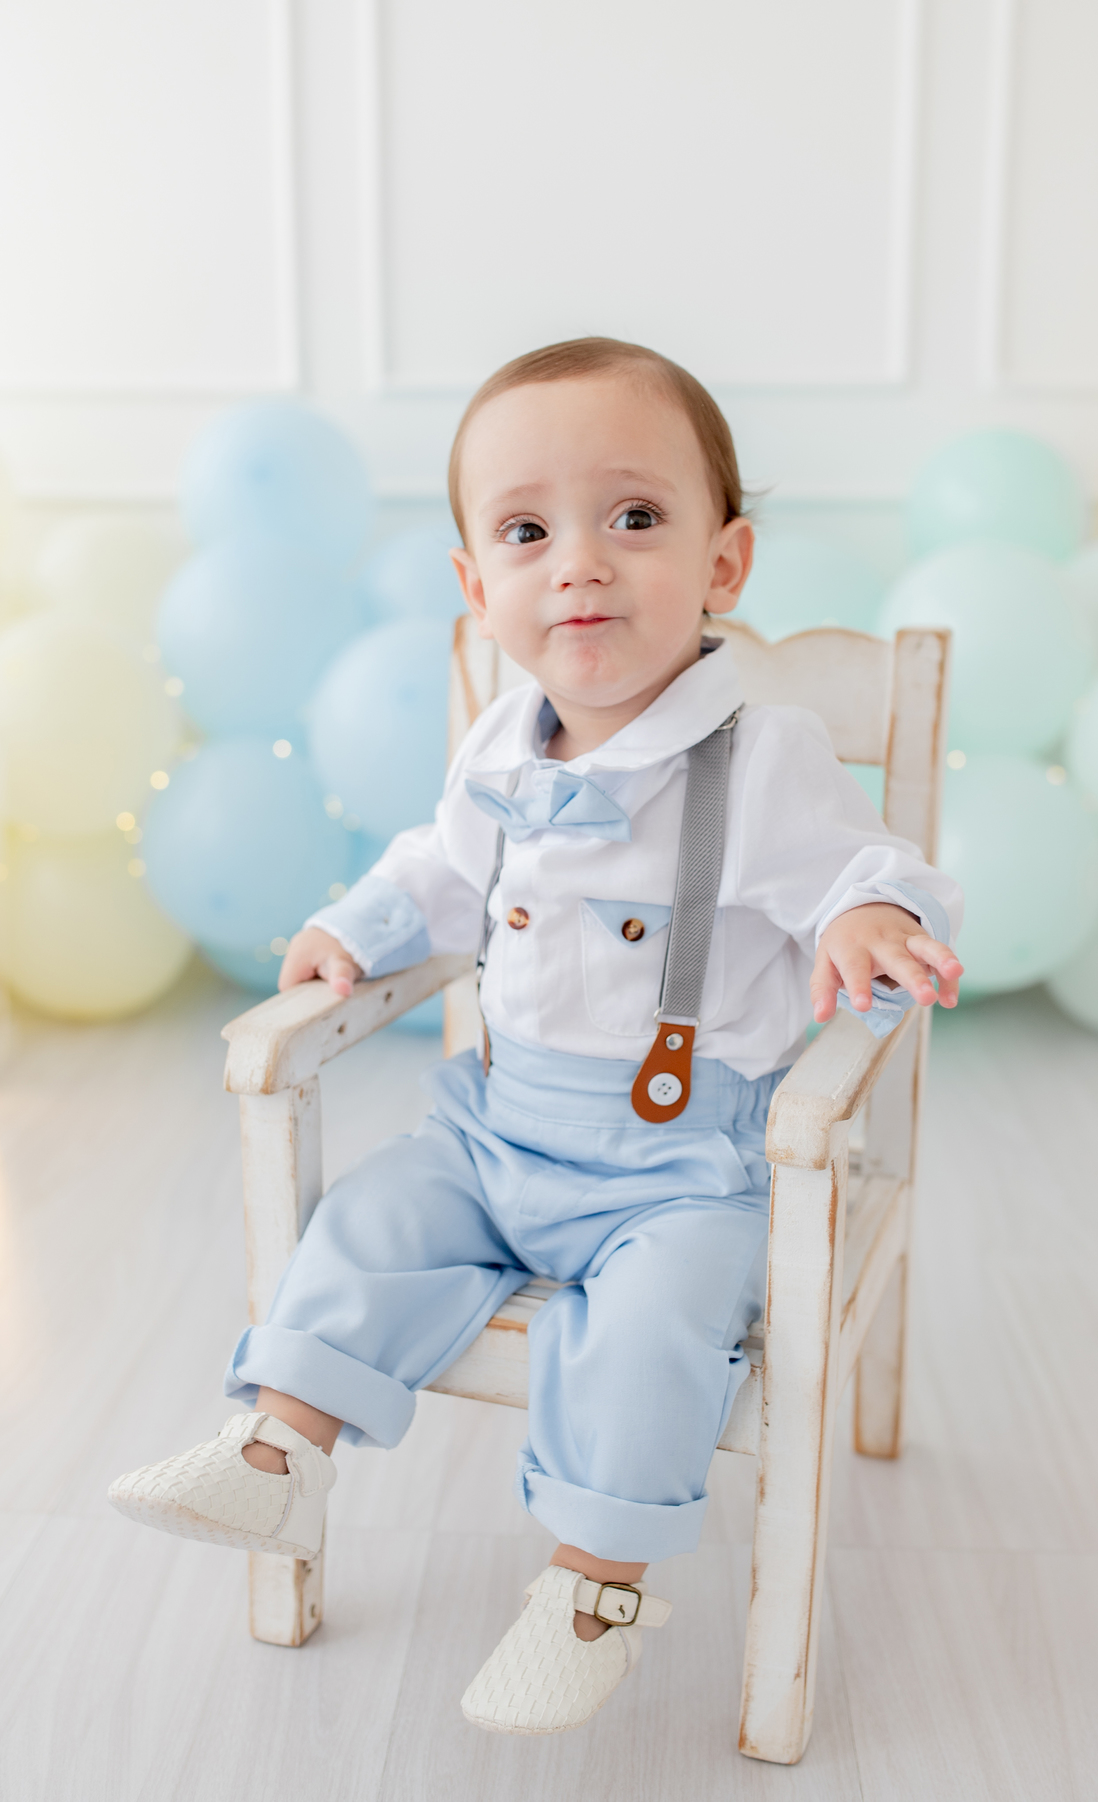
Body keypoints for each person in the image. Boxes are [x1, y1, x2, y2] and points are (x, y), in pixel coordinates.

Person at [109, 337, 963, 1735]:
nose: (580, 564)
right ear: (476, 586)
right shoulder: (503, 746)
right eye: (526, 533)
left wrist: (869, 915)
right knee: (375, 1218)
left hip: (682, 1165)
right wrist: (355, 929)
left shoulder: (764, 755)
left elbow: (864, 865)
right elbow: (440, 873)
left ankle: (591, 1591)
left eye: (634, 516)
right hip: (498, 1132)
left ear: (725, 563)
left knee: (652, 1332)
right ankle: (280, 1453)